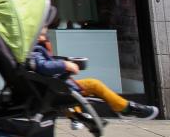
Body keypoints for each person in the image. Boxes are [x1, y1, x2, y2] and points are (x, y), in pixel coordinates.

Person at [29, 8, 158, 121]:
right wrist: (64, 65)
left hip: (57, 86)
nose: (45, 31)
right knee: (93, 85)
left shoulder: (38, 47)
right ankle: (126, 108)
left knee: (75, 91)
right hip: (55, 88)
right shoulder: (35, 49)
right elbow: (42, 66)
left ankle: (76, 115)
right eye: (42, 29)